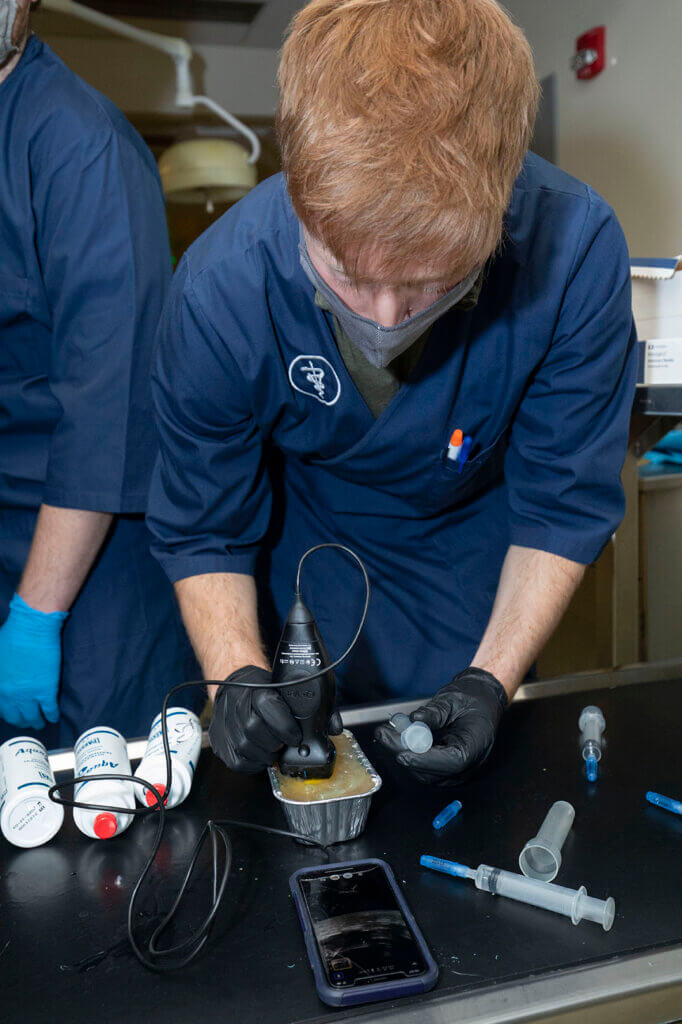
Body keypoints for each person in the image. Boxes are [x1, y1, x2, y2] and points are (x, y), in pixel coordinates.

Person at [147, 0, 637, 786]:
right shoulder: (220, 288)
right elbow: (204, 524)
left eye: (425, 284)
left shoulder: (574, 251)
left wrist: (492, 677)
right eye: (345, 273)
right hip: (303, 566)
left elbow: (562, 504)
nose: (382, 319)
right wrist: (234, 673)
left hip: (475, 574)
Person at [0, 0, 194, 747]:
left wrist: (35, 617)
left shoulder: (82, 143)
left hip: (87, 574)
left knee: (101, 836)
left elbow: (108, 411)